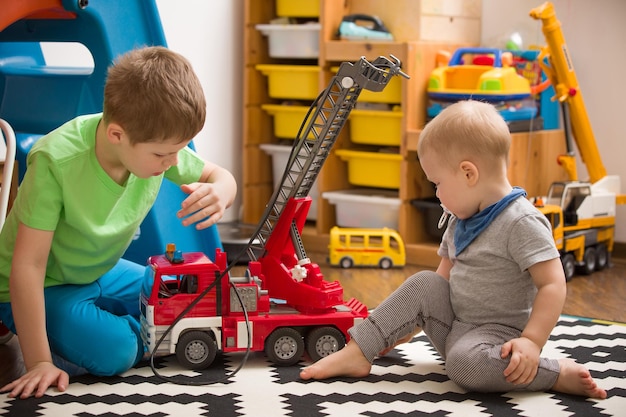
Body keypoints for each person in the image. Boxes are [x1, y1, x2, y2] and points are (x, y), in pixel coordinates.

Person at [300, 100, 607, 399]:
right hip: (456, 326)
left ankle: (552, 373)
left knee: (467, 367)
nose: (436, 193)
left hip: (495, 340)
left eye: (437, 183)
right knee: (423, 282)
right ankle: (358, 352)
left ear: (468, 174)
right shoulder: (460, 218)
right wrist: (404, 320)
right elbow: (439, 283)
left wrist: (530, 341)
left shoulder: (521, 222)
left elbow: (553, 283)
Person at [0, 46, 237, 399]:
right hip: (42, 284)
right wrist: (38, 362)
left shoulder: (154, 144)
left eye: (180, 150)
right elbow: (28, 266)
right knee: (117, 352)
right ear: (116, 135)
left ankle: (137, 332)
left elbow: (218, 174)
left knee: (185, 296)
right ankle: (113, 340)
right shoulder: (56, 162)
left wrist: (222, 188)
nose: (173, 162)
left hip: (97, 271)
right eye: (162, 154)